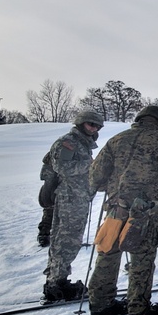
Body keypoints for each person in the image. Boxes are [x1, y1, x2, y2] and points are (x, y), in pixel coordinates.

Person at [87, 105, 158, 315]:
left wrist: (109, 187)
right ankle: (139, 312)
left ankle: (100, 304)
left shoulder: (117, 139)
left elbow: (95, 174)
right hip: (145, 211)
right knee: (141, 259)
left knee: (108, 252)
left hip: (116, 208)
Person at [42, 110, 103, 302]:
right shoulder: (68, 142)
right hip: (70, 199)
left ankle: (56, 279)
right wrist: (91, 165)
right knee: (67, 240)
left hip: (78, 197)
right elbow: (62, 168)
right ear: (81, 123)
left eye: (97, 126)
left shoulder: (82, 144)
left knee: (65, 239)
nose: (93, 129)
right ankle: (56, 283)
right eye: (90, 125)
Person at [36, 148, 58, 247]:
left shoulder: (47, 165)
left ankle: (44, 235)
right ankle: (46, 235)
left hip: (47, 189)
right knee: (51, 211)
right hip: (53, 190)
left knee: (48, 212)